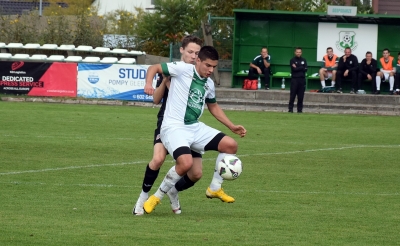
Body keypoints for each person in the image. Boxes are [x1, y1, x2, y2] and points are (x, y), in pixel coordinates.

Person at [142, 46, 247, 214]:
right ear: (198, 60)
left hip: (194, 127)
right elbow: (154, 67)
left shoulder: (209, 84)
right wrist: (148, 83)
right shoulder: (183, 69)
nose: (211, 70)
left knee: (230, 145)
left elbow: (213, 107)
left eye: (214, 67)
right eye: (208, 65)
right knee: (186, 163)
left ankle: (214, 187)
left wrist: (232, 126)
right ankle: (156, 197)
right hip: (173, 126)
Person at [132, 35, 203, 216]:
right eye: (190, 52)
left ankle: (173, 190)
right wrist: (163, 80)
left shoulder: (200, 75)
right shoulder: (172, 69)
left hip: (188, 126)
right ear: (181, 50)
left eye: (197, 53)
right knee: (157, 160)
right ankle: (142, 199)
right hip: (168, 124)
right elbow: (156, 100)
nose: (194, 56)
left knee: (195, 173)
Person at [288, 47, 307, 113]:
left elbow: (306, 69)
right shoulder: (292, 60)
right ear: (295, 52)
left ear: (301, 52)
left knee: (301, 96)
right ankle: (290, 109)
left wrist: (298, 67)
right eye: (297, 52)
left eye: (299, 52)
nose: (298, 53)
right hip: (294, 80)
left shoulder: (304, 60)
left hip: (302, 80)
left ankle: (300, 110)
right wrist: (301, 67)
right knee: (292, 95)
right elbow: (294, 69)